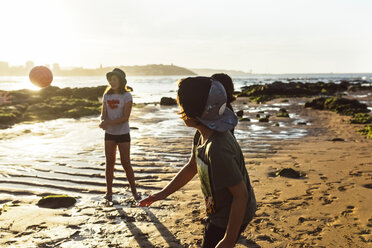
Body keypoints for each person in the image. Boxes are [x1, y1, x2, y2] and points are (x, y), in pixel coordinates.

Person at [140, 77, 256, 248]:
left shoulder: (217, 149)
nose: (180, 111)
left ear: (193, 112)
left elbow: (241, 196)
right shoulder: (201, 135)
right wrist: (162, 194)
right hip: (218, 209)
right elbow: (191, 167)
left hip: (231, 213)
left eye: (181, 106)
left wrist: (229, 240)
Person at [99, 68, 140, 201]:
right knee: (109, 163)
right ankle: (109, 192)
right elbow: (103, 114)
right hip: (109, 134)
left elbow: (125, 118)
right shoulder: (107, 95)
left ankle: (134, 192)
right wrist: (103, 121)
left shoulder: (127, 96)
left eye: (114, 79)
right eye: (110, 79)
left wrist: (108, 122)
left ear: (121, 81)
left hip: (123, 133)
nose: (112, 82)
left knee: (125, 163)